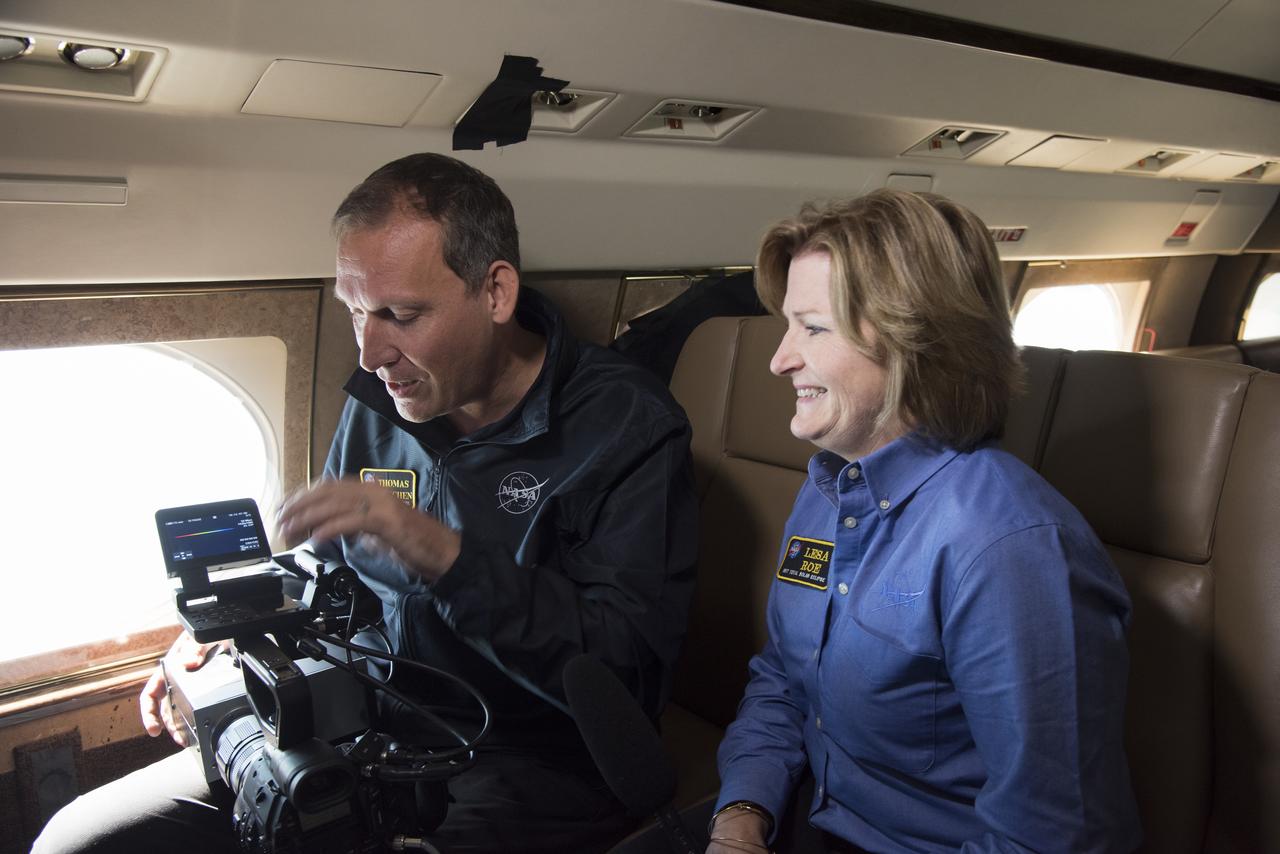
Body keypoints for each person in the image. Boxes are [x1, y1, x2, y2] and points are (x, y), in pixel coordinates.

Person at [34, 153, 698, 854]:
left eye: (400, 315)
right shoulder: (385, 401)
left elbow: (622, 672)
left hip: (529, 759)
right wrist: (236, 615)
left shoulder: (626, 427)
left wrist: (446, 559)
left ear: (496, 292)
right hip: (372, 721)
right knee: (78, 841)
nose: (372, 352)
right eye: (356, 313)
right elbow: (326, 562)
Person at [707, 190, 1141, 854]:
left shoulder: (1010, 549)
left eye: (813, 328)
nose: (780, 358)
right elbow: (784, 680)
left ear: (916, 340)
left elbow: (1050, 838)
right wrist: (742, 814)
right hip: (805, 821)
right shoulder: (828, 490)